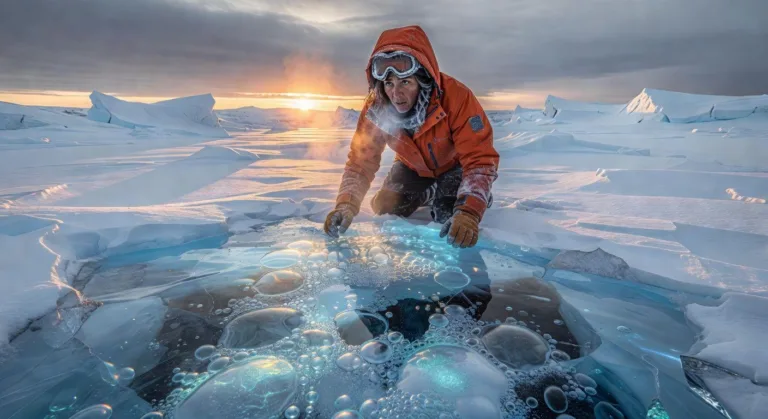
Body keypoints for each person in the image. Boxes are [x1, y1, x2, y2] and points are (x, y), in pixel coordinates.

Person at [324, 25, 500, 248]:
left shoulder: (457, 97)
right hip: (412, 167)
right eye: (389, 83)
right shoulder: (376, 109)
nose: (396, 94)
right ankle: (431, 191)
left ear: (423, 79)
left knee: (447, 214)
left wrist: (469, 211)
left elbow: (480, 160)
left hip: (455, 167)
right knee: (384, 206)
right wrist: (345, 205)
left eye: (405, 82)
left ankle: (467, 195)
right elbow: (360, 162)